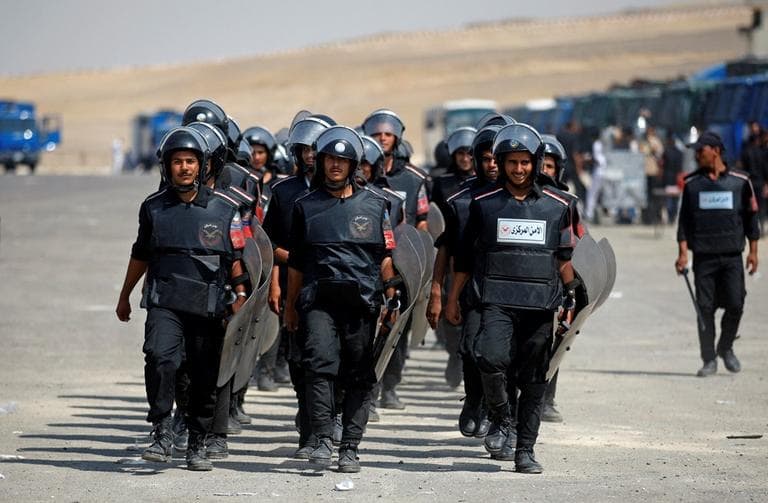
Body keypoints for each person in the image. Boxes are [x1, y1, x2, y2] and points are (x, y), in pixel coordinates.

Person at [445, 123, 577, 473]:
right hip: (495, 299)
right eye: (512, 163)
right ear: (501, 164)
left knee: (534, 379)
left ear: (535, 163)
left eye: (525, 163)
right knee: (489, 358)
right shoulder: (482, 205)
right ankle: (502, 419)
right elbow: (464, 258)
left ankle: (525, 450)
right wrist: (451, 297)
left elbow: (564, 257)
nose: (519, 170)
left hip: (539, 303)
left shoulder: (558, 206)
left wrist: (574, 294)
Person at [115, 126, 247, 471]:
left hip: (208, 306)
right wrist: (125, 295)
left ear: (202, 166)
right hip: (164, 301)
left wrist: (242, 297)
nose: (184, 167)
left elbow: (236, 260)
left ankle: (197, 442)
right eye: (177, 161)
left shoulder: (225, 209)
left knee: (203, 375)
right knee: (161, 359)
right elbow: (140, 253)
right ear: (166, 166)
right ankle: (160, 430)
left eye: (190, 161)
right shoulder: (153, 208)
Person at [284, 125, 398, 473]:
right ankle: (321, 439)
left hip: (362, 303)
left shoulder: (377, 206)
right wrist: (290, 305)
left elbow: (386, 257)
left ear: (354, 165)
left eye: (342, 160)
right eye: (330, 159)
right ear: (320, 163)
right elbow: (298, 264)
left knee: (359, 374)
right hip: (318, 301)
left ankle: (350, 446)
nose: (335, 165)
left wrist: (393, 296)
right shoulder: (305, 206)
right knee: (319, 367)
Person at [263, 114, 333, 458]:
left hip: (336, 287)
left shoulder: (346, 192)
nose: (310, 155)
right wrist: (285, 273)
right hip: (296, 287)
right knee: (300, 361)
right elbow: (267, 242)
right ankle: (309, 429)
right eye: (304, 149)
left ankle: (325, 423)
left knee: (330, 359)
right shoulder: (282, 192)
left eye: (315, 149)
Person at [675, 131, 760, 377]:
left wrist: (753, 252)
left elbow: (751, 218)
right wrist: (682, 255)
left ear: (716, 150)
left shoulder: (740, 181)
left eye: (701, 150)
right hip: (704, 258)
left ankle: (726, 347)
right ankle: (709, 359)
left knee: (736, 304)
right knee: (705, 309)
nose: (697, 155)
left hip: (732, 255)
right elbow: (684, 224)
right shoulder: (692, 185)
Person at [362, 108, 428, 410]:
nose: (383, 138)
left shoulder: (415, 179)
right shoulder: (357, 178)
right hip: (368, 263)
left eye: (388, 134)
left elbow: (423, 225)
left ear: (397, 137)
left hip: (402, 263)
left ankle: (391, 386)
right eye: (377, 134)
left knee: (396, 327)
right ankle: (368, 391)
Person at [538, 134, 587, 423]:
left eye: (550, 167)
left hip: (555, 286)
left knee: (553, 343)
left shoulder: (567, 204)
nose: (544, 172)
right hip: (522, 285)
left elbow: (577, 244)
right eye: (540, 165)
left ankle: (546, 399)